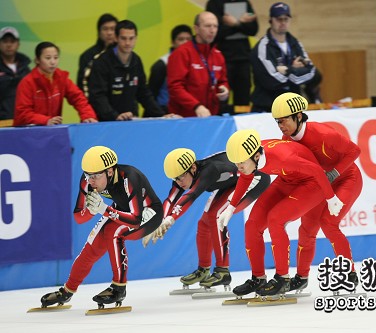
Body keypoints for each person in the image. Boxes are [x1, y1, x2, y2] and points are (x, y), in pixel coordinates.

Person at [217, 129, 343, 297]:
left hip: (312, 184)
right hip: (287, 180)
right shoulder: (251, 157)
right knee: (252, 225)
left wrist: (331, 198)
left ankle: (282, 279)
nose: (238, 167)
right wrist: (231, 208)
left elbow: (317, 171)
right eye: (235, 163)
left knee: (275, 219)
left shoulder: (284, 158)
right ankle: (258, 278)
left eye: (241, 163)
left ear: (256, 156)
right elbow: (245, 177)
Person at [39, 146, 163, 308]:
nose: (91, 181)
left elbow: (135, 220)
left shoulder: (130, 178)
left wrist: (104, 209)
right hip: (119, 210)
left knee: (113, 231)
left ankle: (119, 287)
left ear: (110, 172)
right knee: (92, 245)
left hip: (149, 213)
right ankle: (68, 290)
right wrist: (91, 212)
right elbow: (78, 217)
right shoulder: (88, 181)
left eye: (96, 176)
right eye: (88, 175)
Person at [271, 92, 362, 291]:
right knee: (306, 229)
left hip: (347, 178)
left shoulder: (324, 134)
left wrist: (335, 172)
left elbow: (355, 151)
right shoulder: (286, 138)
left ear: (299, 116)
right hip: (320, 184)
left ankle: (350, 272)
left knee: (328, 223)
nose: (281, 126)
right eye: (277, 122)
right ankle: (302, 277)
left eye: (284, 120)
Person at [143, 148, 270, 289]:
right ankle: (204, 269)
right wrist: (160, 221)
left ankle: (223, 271)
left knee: (216, 216)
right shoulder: (184, 174)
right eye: (175, 179)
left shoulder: (210, 171)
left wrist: (170, 219)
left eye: (180, 177)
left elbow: (190, 196)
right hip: (231, 183)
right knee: (204, 223)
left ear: (192, 168)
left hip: (254, 177)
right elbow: (171, 199)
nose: (179, 182)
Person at [87, 20, 165, 121]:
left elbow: (143, 93)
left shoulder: (136, 60)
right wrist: (114, 116)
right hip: (107, 122)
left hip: (130, 120)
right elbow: (98, 96)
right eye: (123, 38)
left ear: (136, 38)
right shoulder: (101, 62)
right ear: (116, 38)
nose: (128, 43)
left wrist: (161, 115)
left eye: (131, 38)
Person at [250, 2, 316, 113]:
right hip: (267, 107)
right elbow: (271, 81)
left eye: (286, 19)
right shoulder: (262, 47)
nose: (283, 23)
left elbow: (312, 72)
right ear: (271, 20)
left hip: (292, 106)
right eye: (279, 19)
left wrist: (287, 70)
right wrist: (296, 71)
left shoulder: (295, 43)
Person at [14, 42, 97, 126]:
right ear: (37, 60)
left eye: (56, 58)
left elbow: (78, 98)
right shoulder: (27, 82)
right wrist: (45, 120)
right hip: (28, 133)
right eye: (48, 58)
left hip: (53, 131)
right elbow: (23, 113)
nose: (53, 62)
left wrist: (88, 116)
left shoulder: (61, 78)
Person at [167, 12, 229, 117]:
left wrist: (224, 90)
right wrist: (196, 106)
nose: (212, 30)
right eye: (208, 26)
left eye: (215, 26)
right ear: (196, 29)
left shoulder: (218, 55)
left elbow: (222, 81)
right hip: (184, 117)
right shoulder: (182, 53)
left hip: (210, 116)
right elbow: (175, 87)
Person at [206, 0, 258, 113]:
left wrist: (235, 23)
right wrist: (241, 23)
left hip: (243, 58)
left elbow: (253, 29)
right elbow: (215, 33)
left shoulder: (245, 2)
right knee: (221, 97)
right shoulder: (214, 4)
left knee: (243, 99)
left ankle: (243, 127)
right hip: (223, 59)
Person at [148, 24, 192, 114]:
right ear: (172, 42)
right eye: (181, 39)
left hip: (189, 110)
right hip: (166, 113)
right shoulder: (161, 65)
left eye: (188, 39)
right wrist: (160, 114)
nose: (185, 42)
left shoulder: (197, 63)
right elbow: (151, 95)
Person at [77, 13, 118, 96]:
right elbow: (82, 84)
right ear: (99, 32)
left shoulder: (123, 54)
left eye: (112, 29)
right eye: (105, 29)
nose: (109, 33)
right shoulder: (88, 56)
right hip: (95, 106)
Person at [0, 26, 30, 120]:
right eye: (5, 41)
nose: (9, 45)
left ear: (18, 44)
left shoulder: (26, 69)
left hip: (23, 121)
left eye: (12, 41)